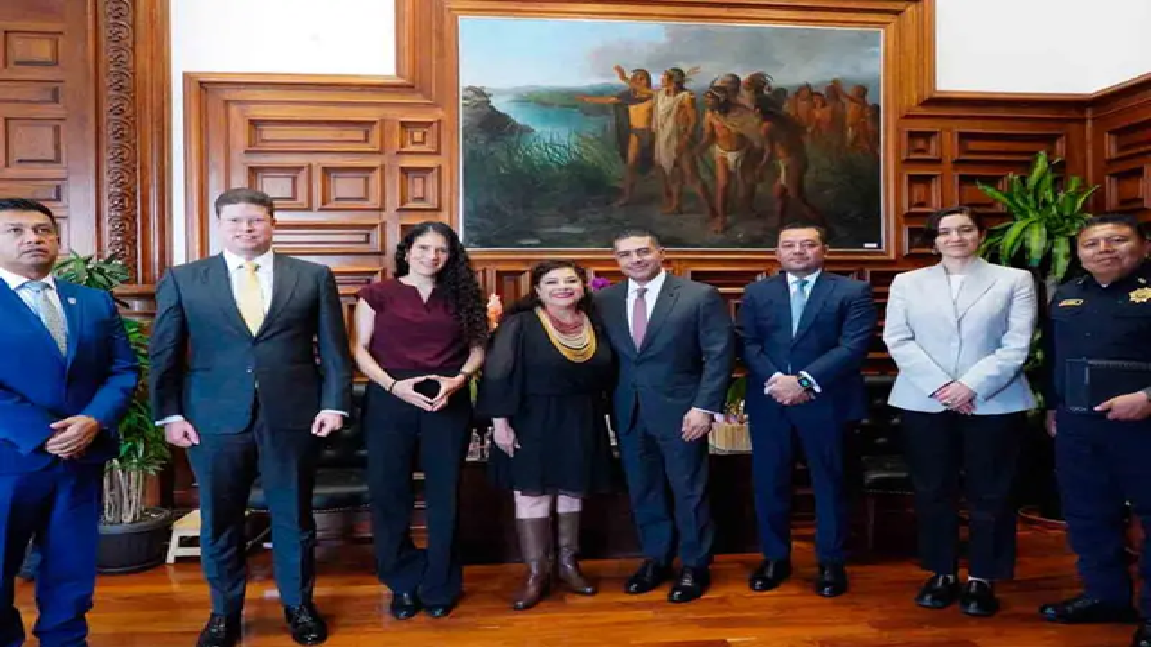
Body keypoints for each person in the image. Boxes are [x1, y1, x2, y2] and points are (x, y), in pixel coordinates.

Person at [150, 188, 352, 647]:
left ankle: (299, 607)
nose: (246, 228)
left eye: (256, 220)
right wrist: (170, 414)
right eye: (236, 221)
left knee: (294, 516)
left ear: (273, 223)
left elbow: (334, 349)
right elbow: (164, 353)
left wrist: (333, 403)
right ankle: (224, 614)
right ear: (220, 225)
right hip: (211, 418)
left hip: (294, 415)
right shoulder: (185, 278)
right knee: (220, 519)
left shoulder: (312, 276)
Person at [882, 206, 1037, 616]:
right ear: (933, 240)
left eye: (965, 230)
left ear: (980, 235)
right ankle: (941, 572)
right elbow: (898, 339)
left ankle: (984, 577)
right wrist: (942, 387)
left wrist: (970, 386)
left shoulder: (1014, 280)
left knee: (992, 492)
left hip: (994, 401)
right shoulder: (907, 282)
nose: (955, 238)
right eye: (945, 232)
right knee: (933, 490)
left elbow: (1016, 345)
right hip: (923, 399)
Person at [0, 197, 138, 646]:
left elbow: (123, 369)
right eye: (16, 231)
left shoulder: (92, 301)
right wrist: (44, 435)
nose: (32, 239)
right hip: (10, 458)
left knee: (70, 566)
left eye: (42, 230)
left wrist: (93, 420)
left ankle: (66, 639)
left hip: (82, 456)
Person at [351, 221, 487, 620]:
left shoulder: (463, 295)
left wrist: (459, 379)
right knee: (389, 492)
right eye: (424, 248)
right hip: (390, 398)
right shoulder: (377, 294)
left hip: (448, 398)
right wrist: (395, 387)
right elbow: (359, 349)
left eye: (441, 250)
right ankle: (402, 582)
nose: (432, 256)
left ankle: (441, 584)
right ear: (407, 251)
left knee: (446, 494)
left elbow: (478, 348)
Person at [595, 229, 734, 604]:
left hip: (683, 412)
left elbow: (719, 354)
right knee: (644, 489)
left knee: (689, 490)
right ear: (616, 260)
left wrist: (704, 407)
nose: (635, 259)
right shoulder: (605, 300)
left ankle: (694, 565)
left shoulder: (698, 296)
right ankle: (656, 559)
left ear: (661, 253)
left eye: (643, 251)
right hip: (628, 411)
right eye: (626, 254)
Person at [739, 222, 875, 599]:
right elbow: (747, 343)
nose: (798, 251)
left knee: (831, 484)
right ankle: (774, 559)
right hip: (771, 403)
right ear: (777, 253)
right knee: (770, 484)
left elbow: (854, 346)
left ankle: (831, 562)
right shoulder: (756, 292)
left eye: (808, 244)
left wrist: (804, 381)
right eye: (789, 245)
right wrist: (777, 381)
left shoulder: (852, 291)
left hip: (828, 402)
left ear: (824, 250)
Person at [1038, 213, 1150, 647]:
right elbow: (1054, 357)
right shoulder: (1068, 294)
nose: (1104, 249)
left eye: (1117, 240)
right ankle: (1106, 596)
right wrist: (1053, 406)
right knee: (1087, 514)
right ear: (1079, 253)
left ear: (1144, 245)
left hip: (1143, 426)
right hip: (1078, 425)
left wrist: (1148, 397)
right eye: (1091, 243)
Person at [478, 260, 615, 611]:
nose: (562, 287)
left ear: (582, 287)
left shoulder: (595, 321)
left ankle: (568, 565)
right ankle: (537, 572)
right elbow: (497, 374)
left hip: (581, 416)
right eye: (552, 282)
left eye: (570, 280)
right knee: (532, 494)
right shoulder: (520, 324)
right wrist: (500, 423)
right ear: (538, 290)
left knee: (572, 490)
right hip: (530, 418)